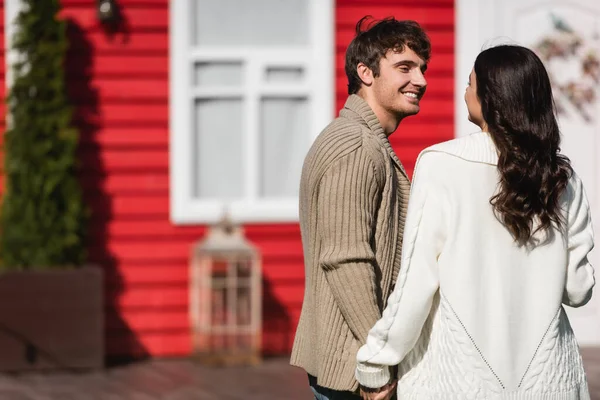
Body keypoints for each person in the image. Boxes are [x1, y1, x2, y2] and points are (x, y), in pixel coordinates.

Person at [355, 44, 595, 400]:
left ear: (491, 98)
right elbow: (578, 289)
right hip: (551, 383)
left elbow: (415, 283)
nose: (464, 91)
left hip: (457, 384)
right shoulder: (564, 179)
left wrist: (375, 363)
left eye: (470, 83)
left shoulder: (441, 164)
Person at [289, 16, 431, 399]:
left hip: (354, 361)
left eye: (422, 68)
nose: (420, 80)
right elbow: (346, 260)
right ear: (365, 73)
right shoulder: (356, 146)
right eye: (405, 67)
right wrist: (377, 362)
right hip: (355, 371)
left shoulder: (366, 141)